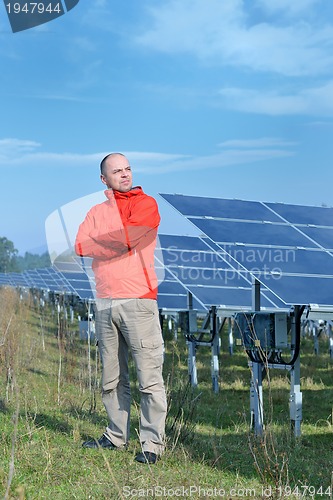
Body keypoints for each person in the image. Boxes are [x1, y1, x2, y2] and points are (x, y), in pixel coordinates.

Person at [75, 153, 167, 464]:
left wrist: (105, 242)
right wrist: (115, 241)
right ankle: (115, 436)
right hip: (105, 302)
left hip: (138, 300)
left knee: (149, 377)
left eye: (127, 169)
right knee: (111, 377)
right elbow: (79, 245)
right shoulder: (96, 211)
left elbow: (130, 238)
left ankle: (151, 445)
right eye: (117, 171)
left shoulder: (146, 204)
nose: (125, 174)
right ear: (104, 179)